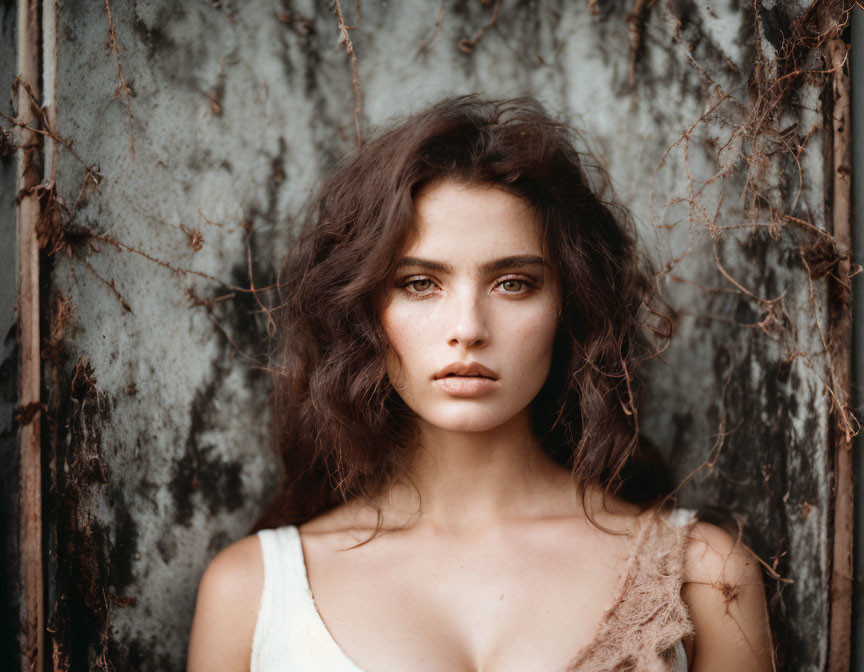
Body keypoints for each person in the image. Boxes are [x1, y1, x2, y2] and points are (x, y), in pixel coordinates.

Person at [186, 95, 775, 672]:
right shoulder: (253, 592)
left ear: (568, 308)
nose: (467, 329)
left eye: (513, 283)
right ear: (365, 310)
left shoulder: (701, 577)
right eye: (419, 283)